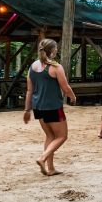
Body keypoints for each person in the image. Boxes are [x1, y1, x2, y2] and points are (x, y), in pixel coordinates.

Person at [23, 39, 77, 176]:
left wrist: (27, 110)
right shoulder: (56, 67)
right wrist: (73, 97)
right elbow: (65, 87)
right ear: (52, 51)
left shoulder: (33, 67)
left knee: (50, 135)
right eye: (56, 48)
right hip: (53, 106)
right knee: (62, 136)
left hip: (38, 107)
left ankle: (51, 168)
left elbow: (29, 90)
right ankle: (42, 158)